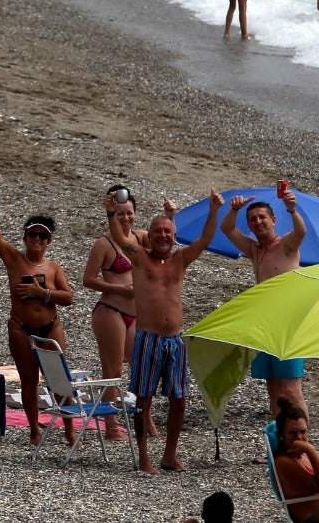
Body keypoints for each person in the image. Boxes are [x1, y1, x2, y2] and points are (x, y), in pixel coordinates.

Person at [108, 189, 223, 474]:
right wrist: (111, 213)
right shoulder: (140, 258)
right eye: (158, 231)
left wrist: (214, 210)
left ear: (174, 236)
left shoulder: (181, 260)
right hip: (148, 338)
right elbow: (121, 238)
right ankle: (143, 456)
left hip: (175, 340)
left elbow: (206, 239)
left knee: (179, 399)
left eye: (167, 232)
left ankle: (169, 455)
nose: (162, 236)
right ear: (150, 235)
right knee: (143, 399)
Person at [0, 199, 76, 447]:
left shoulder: (54, 268)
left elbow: (68, 298)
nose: (37, 239)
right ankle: (34, 430)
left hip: (50, 326)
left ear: (49, 241)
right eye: (33, 234)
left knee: (58, 378)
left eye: (43, 236)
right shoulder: (14, 260)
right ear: (25, 237)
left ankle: (69, 429)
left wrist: (42, 293)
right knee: (28, 379)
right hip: (21, 327)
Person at [219, 190, 309, 425]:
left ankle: (302, 439)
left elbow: (301, 231)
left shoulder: (286, 245)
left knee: (291, 388)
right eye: (253, 219)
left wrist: (292, 209)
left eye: (262, 217)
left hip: (288, 324)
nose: (258, 222)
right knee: (274, 388)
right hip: (264, 323)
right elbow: (227, 228)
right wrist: (234, 209)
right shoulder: (254, 249)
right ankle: (281, 440)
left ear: (273, 220)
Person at [83, 187, 148, 442]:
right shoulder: (104, 244)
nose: (126, 218)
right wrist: (120, 289)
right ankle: (111, 426)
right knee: (113, 370)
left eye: (129, 213)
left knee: (139, 366)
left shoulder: (141, 238)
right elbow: (88, 280)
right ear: (112, 214)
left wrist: (170, 216)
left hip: (134, 314)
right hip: (110, 310)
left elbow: (167, 244)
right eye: (120, 214)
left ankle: (146, 420)